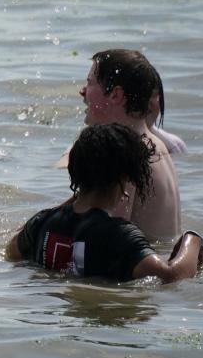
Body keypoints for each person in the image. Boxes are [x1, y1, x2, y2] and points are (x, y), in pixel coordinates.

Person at [6, 124, 202, 282]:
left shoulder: (41, 223)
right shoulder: (120, 235)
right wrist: (192, 241)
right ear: (125, 177)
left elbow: (11, 251)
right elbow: (170, 275)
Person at [55, 49, 181, 240]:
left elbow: (108, 233)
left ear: (116, 95)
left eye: (90, 83)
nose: (82, 91)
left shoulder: (127, 152)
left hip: (141, 266)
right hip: (159, 257)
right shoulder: (154, 144)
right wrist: (34, 226)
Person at [146, 64, 188, 156]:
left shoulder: (175, 145)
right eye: (140, 96)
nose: (147, 102)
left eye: (153, 95)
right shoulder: (110, 143)